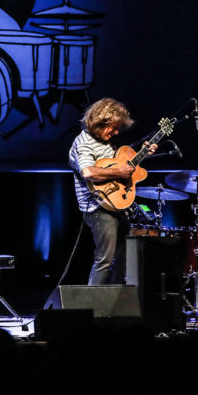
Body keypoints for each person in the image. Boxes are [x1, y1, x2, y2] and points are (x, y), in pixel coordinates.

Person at [69, 98, 157, 285]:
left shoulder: (104, 141)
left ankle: (115, 304)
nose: (116, 132)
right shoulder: (84, 143)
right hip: (98, 208)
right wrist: (118, 171)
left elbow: (119, 166)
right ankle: (94, 309)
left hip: (116, 205)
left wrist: (141, 153)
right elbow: (88, 172)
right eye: (113, 128)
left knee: (123, 259)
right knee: (104, 260)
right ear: (100, 121)